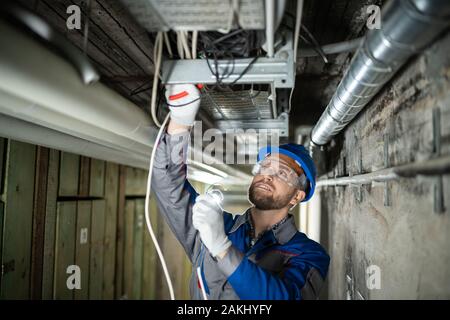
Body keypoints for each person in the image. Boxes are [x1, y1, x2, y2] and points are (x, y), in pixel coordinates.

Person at [151, 84, 330, 300]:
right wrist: (180, 121)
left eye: (282, 173)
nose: (268, 176)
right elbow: (169, 184)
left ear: (297, 196)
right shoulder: (215, 225)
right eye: (265, 167)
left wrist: (221, 248)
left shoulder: (310, 254)